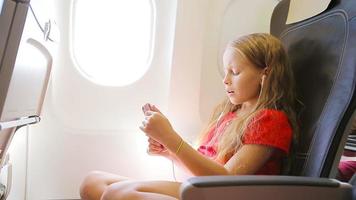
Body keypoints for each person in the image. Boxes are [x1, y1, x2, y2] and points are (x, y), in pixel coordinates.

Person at [79, 33, 299, 200]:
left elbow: (223, 182)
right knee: (93, 182)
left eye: (235, 72)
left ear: (265, 74)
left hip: (220, 195)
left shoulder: (270, 120)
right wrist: (170, 152)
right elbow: (198, 173)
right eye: (225, 72)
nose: (226, 80)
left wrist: (172, 139)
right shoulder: (230, 114)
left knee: (118, 194)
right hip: (201, 189)